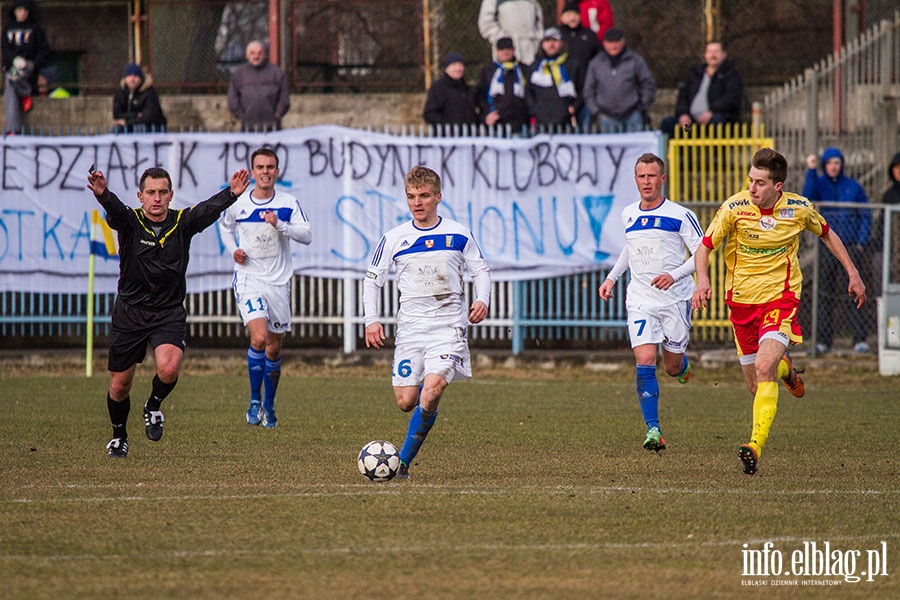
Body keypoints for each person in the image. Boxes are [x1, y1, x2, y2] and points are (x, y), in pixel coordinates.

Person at [692, 148, 867, 476]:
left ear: (778, 187)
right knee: (758, 385)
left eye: (759, 183)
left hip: (780, 300)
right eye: (750, 180)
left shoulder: (799, 209)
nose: (752, 188)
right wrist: (702, 281)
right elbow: (705, 246)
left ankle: (754, 446)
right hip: (741, 303)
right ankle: (787, 372)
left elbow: (828, 235)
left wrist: (853, 274)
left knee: (763, 364)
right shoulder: (734, 207)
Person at [86, 165, 251, 458]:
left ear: (171, 194)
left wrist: (231, 194)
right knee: (120, 384)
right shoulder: (131, 221)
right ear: (141, 196)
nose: (157, 198)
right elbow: (116, 212)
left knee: (169, 367)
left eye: (163, 192)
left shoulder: (182, 222)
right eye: (151, 192)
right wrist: (103, 195)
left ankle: (153, 405)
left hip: (168, 311)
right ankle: (119, 435)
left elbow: (205, 211)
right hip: (130, 312)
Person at [363, 166, 491, 479]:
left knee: (431, 392)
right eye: (411, 197)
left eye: (424, 196)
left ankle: (402, 466)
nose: (417, 202)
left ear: (438, 197)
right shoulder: (394, 238)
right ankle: (423, 401)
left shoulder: (458, 234)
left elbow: (481, 271)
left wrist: (482, 299)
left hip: (448, 328)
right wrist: (371, 320)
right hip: (410, 331)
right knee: (406, 401)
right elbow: (371, 280)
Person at [598, 154, 702, 451]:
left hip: (675, 299)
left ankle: (681, 366)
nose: (647, 182)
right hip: (641, 299)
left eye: (652, 176)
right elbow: (630, 250)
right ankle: (653, 429)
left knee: (670, 367)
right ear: (636, 180)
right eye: (642, 176)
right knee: (644, 360)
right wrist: (612, 278)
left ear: (663, 178)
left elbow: (701, 253)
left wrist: (675, 274)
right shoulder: (629, 214)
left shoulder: (681, 215)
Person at [219, 148, 312, 428]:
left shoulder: (287, 202)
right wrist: (233, 249)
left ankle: (269, 406)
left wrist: (280, 224)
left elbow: (306, 235)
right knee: (258, 339)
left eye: (270, 167)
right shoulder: (239, 202)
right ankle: (254, 401)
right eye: (260, 167)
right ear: (253, 170)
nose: (265, 172)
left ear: (277, 171)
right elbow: (225, 227)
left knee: (273, 347)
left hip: (279, 281)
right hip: (249, 278)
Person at [803, 148, 872, 354]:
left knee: (856, 293)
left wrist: (861, 241)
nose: (833, 166)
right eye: (829, 162)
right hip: (827, 248)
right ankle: (823, 341)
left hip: (850, 248)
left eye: (837, 162)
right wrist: (811, 171)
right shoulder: (819, 183)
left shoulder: (853, 186)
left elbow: (865, 214)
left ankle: (859, 339)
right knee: (824, 293)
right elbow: (806, 199)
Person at [661, 41, 743, 137]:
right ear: (705, 55)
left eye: (716, 51)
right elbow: (683, 96)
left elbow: (731, 98)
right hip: (691, 124)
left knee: (718, 122)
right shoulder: (695, 74)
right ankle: (681, 151)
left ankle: (716, 152)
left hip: (712, 120)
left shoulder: (730, 74)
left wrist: (711, 111)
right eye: (710, 52)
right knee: (669, 124)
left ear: (724, 55)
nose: (713, 55)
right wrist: (683, 114)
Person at [582, 28, 656, 133]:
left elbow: (648, 84)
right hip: (606, 117)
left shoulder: (635, 60)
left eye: (616, 42)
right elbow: (588, 90)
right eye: (610, 43)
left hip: (632, 115)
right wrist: (596, 112)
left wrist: (641, 107)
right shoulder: (596, 63)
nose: (614, 46)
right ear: (604, 43)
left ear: (623, 42)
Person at [2, 0, 49, 134]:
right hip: (14, 67)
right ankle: (24, 95)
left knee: (10, 80)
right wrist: (13, 60)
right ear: (15, 11)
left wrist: (33, 64)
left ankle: (12, 129)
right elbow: (5, 50)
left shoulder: (35, 28)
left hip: (29, 67)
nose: (22, 13)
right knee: (10, 87)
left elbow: (43, 51)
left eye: (25, 10)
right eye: (20, 10)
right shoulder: (7, 29)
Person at [227, 40, 290, 132]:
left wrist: (277, 115)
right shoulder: (238, 74)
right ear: (247, 55)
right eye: (252, 53)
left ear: (264, 54)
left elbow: (284, 99)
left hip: (272, 128)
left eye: (259, 53)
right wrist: (242, 117)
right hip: (248, 128)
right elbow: (232, 100)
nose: (256, 56)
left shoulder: (277, 73)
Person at [525, 28, 580, 129]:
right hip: (542, 121)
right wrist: (535, 110)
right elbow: (528, 92)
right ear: (542, 44)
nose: (551, 44)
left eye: (555, 40)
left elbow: (581, 89)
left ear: (561, 43)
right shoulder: (535, 67)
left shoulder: (572, 65)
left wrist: (574, 107)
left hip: (565, 121)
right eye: (547, 41)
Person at [558, 2, 600, 131]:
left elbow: (599, 59)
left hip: (586, 88)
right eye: (569, 14)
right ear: (562, 17)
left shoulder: (589, 36)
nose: (572, 18)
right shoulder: (557, 37)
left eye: (575, 14)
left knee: (585, 126)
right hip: (562, 89)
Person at [474, 37, 529, 134]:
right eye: (501, 49)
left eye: (508, 49)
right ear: (496, 51)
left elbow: (531, 94)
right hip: (496, 123)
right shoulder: (488, 72)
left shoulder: (523, 70)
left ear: (514, 50)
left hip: (521, 123)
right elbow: (480, 96)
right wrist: (487, 114)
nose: (505, 52)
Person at [477, 0, 544, 66]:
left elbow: (539, 24)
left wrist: (536, 43)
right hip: (505, 57)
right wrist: (504, 41)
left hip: (530, 55)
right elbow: (486, 24)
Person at [423, 52, 479, 128]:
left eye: (460, 65)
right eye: (454, 65)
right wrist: (447, 129)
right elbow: (430, 114)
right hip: (447, 138)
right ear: (446, 68)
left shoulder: (467, 89)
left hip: (468, 136)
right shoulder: (438, 88)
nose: (458, 68)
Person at [112, 63, 167, 133]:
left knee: (139, 128)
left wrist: (127, 121)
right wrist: (136, 115)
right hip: (129, 124)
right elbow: (117, 114)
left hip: (151, 127)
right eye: (129, 76)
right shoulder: (120, 92)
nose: (132, 79)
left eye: (135, 76)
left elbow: (148, 116)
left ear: (141, 78)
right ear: (125, 78)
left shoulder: (149, 93)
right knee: (117, 129)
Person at [881, 152, 900, 283]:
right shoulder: (888, 195)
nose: (898, 171)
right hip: (892, 245)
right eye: (896, 168)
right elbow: (881, 224)